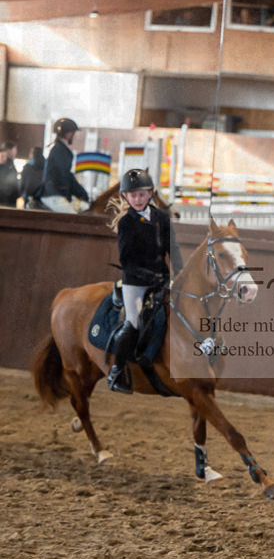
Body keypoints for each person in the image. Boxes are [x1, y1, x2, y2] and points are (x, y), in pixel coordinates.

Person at [106, 168, 184, 393]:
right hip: (136, 283)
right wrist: (150, 276)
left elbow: (172, 248)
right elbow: (126, 259)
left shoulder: (162, 218)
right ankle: (116, 371)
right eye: (133, 195)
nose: (138, 199)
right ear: (125, 197)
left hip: (161, 279)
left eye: (142, 194)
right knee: (133, 322)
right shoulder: (126, 223)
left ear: (151, 194)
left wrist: (180, 273)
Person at [37, 118, 90, 213]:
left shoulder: (61, 149)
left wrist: (80, 194)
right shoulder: (59, 151)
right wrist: (82, 194)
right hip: (53, 194)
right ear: (68, 134)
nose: (75, 136)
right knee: (72, 218)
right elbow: (65, 175)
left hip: (57, 193)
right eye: (74, 133)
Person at [0, 142, 20, 208]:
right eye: (15, 149)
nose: (16, 152)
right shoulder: (7, 164)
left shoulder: (10, 163)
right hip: (5, 199)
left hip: (10, 199)